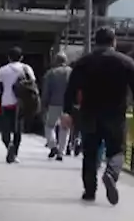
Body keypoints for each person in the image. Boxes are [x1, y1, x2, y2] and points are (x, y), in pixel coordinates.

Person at [62, 27, 134, 205]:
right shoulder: (125, 62)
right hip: (115, 114)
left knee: (90, 153)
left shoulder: (83, 62)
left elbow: (71, 89)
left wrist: (67, 111)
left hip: (89, 113)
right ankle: (111, 173)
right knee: (116, 151)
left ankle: (89, 191)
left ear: (95, 41)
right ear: (114, 41)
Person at [0, 46, 37, 163]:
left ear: (8, 57)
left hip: (6, 103)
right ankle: (15, 153)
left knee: (5, 129)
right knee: (18, 130)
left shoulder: (3, 70)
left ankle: (9, 145)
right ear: (21, 57)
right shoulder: (27, 69)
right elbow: (32, 85)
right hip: (22, 103)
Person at [40, 52, 73, 160]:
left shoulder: (51, 73)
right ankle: (61, 152)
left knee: (49, 126)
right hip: (68, 105)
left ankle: (53, 145)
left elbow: (46, 90)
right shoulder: (71, 72)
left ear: (56, 61)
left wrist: (44, 103)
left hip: (53, 103)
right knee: (65, 128)